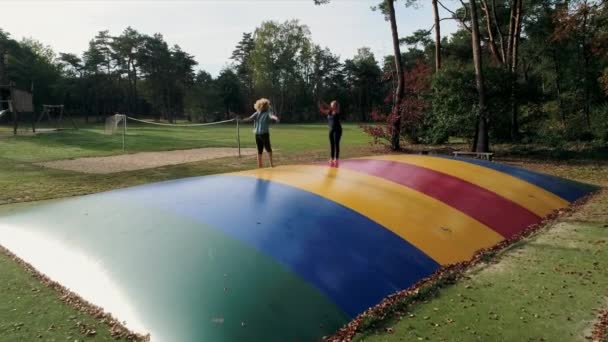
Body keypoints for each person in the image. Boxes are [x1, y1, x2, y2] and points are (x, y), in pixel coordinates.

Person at [240, 98, 279, 168]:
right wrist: (241, 120)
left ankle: (271, 165)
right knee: (259, 150)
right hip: (257, 134)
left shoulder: (267, 113)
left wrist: (275, 118)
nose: (266, 106)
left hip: (264, 134)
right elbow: (249, 118)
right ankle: (260, 165)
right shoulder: (257, 113)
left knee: (268, 149)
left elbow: (271, 116)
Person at [319, 100, 342, 166]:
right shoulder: (330, 112)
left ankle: (336, 159)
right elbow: (323, 111)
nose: (331, 105)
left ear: (335, 106)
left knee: (336, 144)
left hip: (337, 130)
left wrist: (324, 103)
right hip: (331, 130)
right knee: (332, 145)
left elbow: (330, 108)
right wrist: (320, 106)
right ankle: (331, 159)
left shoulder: (337, 111)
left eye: (332, 104)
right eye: (331, 104)